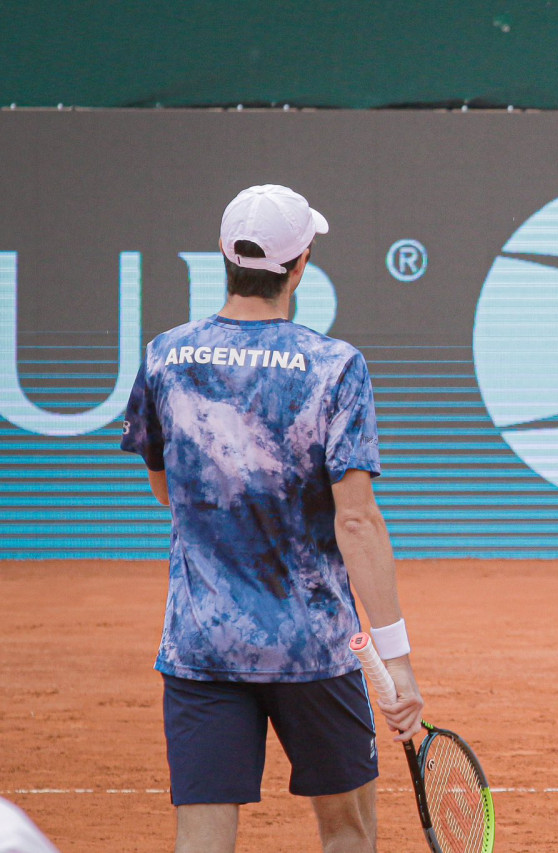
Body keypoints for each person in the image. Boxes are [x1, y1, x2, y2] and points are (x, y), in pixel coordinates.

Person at [121, 185, 425, 853]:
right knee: (348, 831)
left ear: (225, 258)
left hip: (203, 646)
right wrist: (397, 663)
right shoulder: (335, 367)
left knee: (201, 838)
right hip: (314, 649)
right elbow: (360, 524)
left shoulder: (165, 356)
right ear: (301, 263)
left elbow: (167, 490)